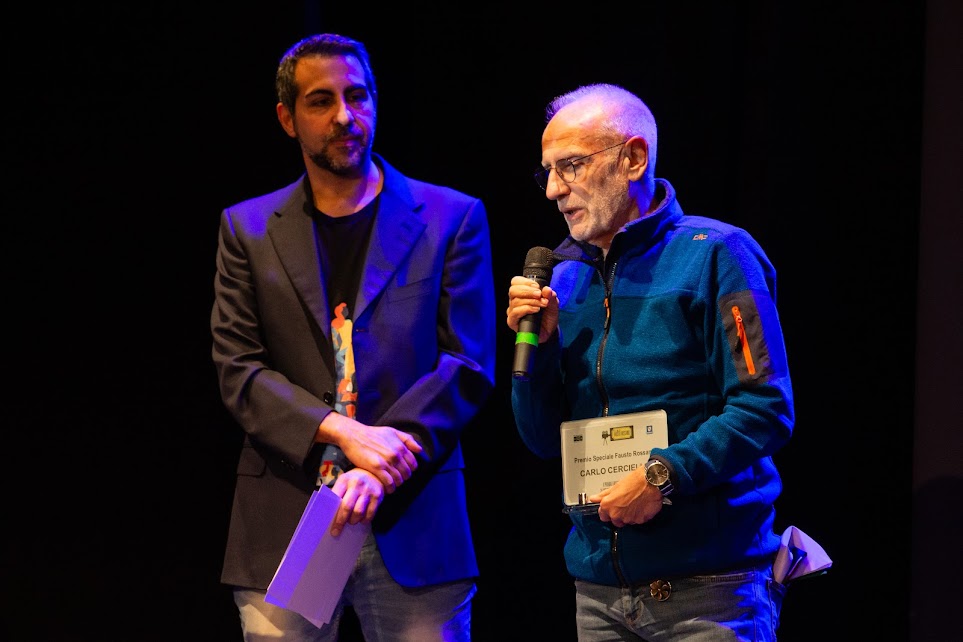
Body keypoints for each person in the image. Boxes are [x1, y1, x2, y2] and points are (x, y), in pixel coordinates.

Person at [211, 33, 496, 641]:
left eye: (357, 96)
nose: (345, 115)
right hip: (286, 519)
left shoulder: (451, 217)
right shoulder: (248, 228)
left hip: (414, 516)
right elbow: (239, 369)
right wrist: (343, 432)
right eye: (321, 101)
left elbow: (467, 363)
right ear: (287, 118)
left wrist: (381, 466)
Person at [505, 83, 794, 641]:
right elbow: (541, 440)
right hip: (599, 595)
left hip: (709, 592)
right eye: (547, 173)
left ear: (633, 159)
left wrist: (662, 476)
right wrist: (538, 351)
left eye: (571, 166)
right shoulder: (564, 278)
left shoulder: (717, 254)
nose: (554, 190)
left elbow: (765, 408)